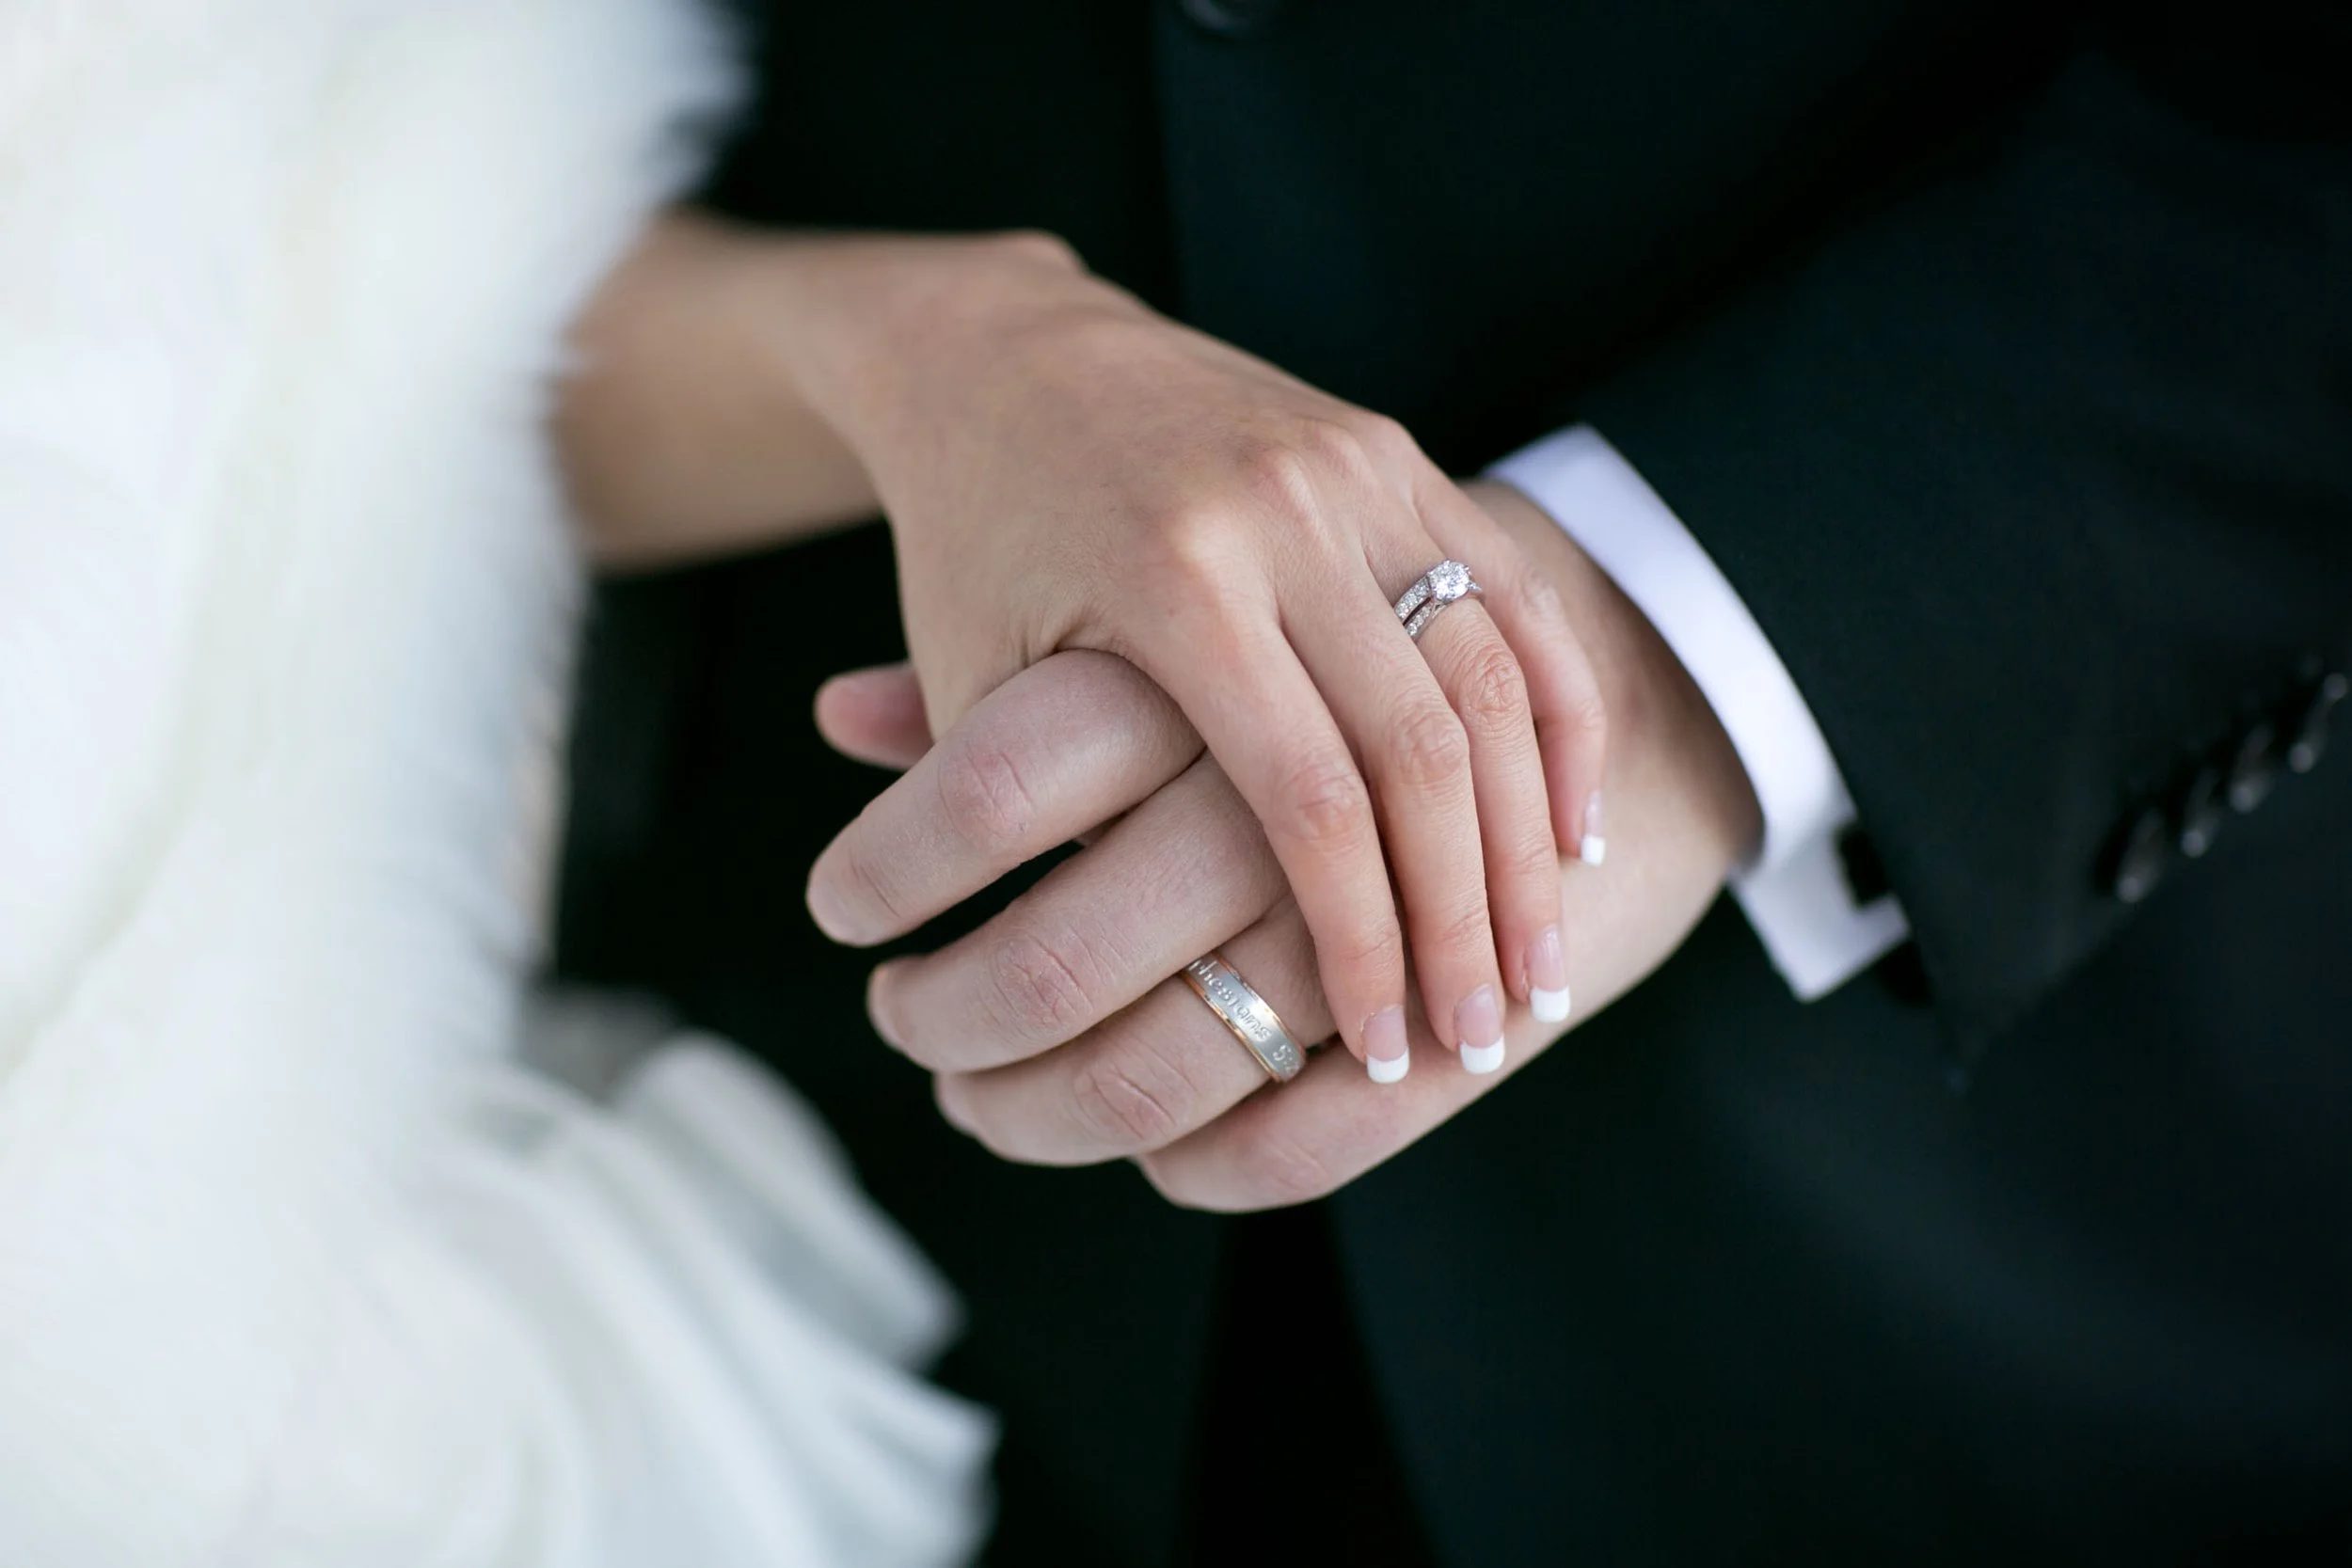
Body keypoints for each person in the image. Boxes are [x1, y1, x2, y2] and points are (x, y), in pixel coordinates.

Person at [552, 1, 2352, 1560]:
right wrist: (937, 348)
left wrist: (1657, 658)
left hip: (1986, 1268)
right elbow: (331, 215)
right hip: (859, 1278)